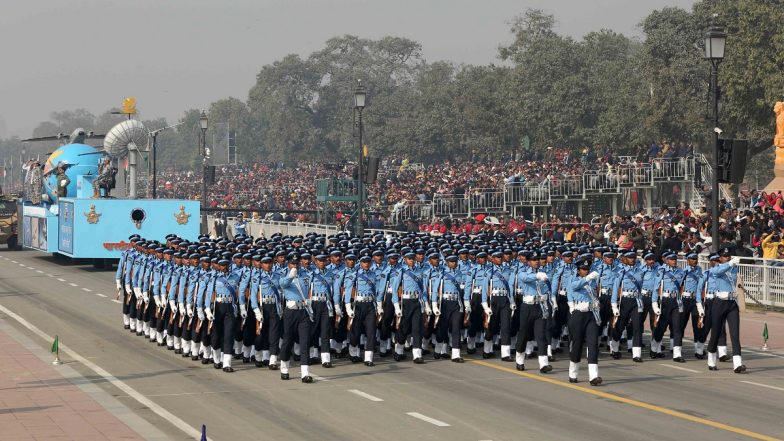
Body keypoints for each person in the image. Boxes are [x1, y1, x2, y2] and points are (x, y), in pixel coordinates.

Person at [705, 250, 746, 373]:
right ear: (719, 258)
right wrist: (729, 264)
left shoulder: (733, 268)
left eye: (728, 256)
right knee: (716, 332)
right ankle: (711, 359)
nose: (727, 258)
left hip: (732, 303)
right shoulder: (715, 269)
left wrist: (731, 264)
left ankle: (737, 364)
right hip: (719, 303)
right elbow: (718, 271)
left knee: (735, 334)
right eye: (724, 256)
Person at [278, 254, 315, 383]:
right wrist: (290, 276)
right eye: (292, 264)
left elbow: (310, 286)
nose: (295, 266)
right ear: (288, 264)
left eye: (296, 264)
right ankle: (285, 368)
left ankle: (305, 373)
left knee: (304, 341)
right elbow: (282, 284)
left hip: (303, 311)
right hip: (290, 312)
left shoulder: (305, 274)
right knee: (287, 340)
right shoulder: (284, 274)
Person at [568, 257, 602, 385]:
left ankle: (593, 376)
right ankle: (573, 373)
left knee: (593, 344)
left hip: (591, 314)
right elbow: (574, 287)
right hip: (578, 314)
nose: (585, 271)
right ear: (578, 270)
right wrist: (587, 279)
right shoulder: (573, 279)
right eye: (583, 269)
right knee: (577, 344)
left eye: (587, 269)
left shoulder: (593, 280)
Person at [610, 251, 644, 362]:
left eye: (634, 257)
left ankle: (636, 354)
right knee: (620, 325)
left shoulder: (640, 272)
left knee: (637, 326)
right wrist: (614, 304)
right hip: (624, 300)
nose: (632, 259)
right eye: (630, 257)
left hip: (636, 300)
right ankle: (614, 348)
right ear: (625, 259)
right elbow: (616, 288)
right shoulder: (621, 272)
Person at [651, 254, 686, 362]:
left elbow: (681, 287)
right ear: (666, 261)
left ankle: (677, 354)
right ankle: (654, 347)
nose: (674, 261)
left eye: (675, 259)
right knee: (662, 327)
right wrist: (654, 303)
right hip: (664, 301)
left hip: (675, 301)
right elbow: (656, 288)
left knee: (677, 328)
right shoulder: (661, 271)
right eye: (671, 259)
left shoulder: (681, 272)